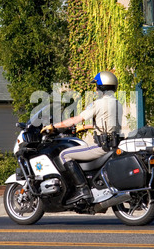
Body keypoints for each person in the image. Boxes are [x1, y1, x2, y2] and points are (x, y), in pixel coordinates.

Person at [41, 71, 123, 204]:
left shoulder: (98, 103)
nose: (95, 90)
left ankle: (82, 189)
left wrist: (54, 126)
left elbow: (75, 119)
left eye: (97, 87)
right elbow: (107, 123)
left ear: (101, 87)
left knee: (64, 155)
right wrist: (85, 127)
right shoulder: (117, 103)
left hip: (101, 147)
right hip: (114, 143)